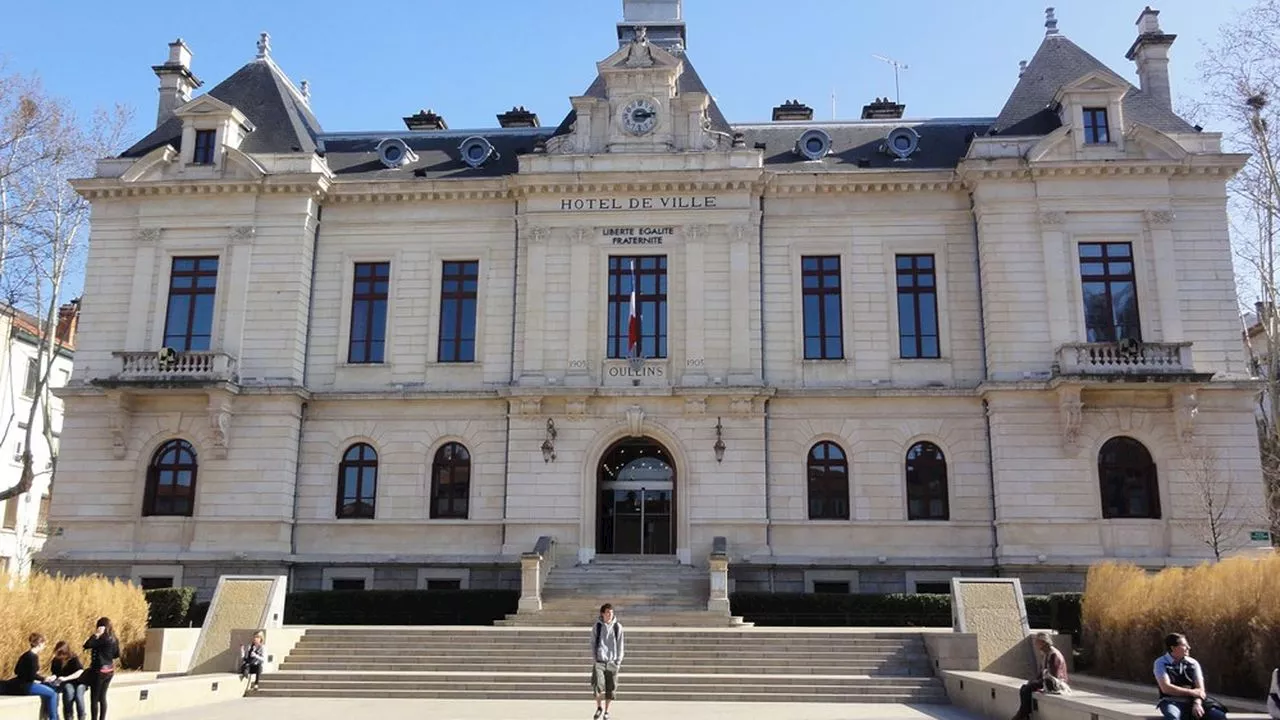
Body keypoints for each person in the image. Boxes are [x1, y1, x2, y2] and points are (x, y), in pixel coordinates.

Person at [1153, 633, 1227, 720]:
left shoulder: (1193, 663)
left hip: (1194, 701)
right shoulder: (1161, 663)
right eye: (1184, 645)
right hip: (1171, 701)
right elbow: (1166, 688)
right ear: (1173, 648)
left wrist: (1197, 703)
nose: (1189, 647)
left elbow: (1200, 690)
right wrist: (1192, 692)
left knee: (1218, 716)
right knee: (1173, 717)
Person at [1011, 632, 1070, 720]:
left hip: (1056, 683)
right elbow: (1042, 672)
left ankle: (1022, 713)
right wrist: (1034, 680)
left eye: (1037, 642)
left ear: (1043, 642)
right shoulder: (1046, 653)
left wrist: (1039, 681)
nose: (1036, 644)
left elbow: (1054, 676)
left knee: (1028, 689)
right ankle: (1024, 713)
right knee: (1024, 688)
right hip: (1047, 680)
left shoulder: (1053, 654)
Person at [11, 633, 58, 720]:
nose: (44, 646)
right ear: (39, 644)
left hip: (19, 683)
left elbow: (16, 671)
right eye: (44, 644)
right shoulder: (33, 657)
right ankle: (54, 718)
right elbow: (32, 675)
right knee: (53, 694)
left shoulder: (24, 655)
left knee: (48, 689)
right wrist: (44, 678)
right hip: (27, 686)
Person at [590, 603, 624, 720]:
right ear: (602, 614)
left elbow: (620, 645)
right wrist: (595, 659)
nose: (610, 615)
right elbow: (593, 643)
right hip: (599, 661)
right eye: (607, 612)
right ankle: (599, 707)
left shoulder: (617, 627)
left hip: (612, 662)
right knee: (597, 685)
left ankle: (606, 711)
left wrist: (618, 662)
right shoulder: (597, 627)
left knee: (611, 688)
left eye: (611, 612)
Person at [83, 617, 120, 720]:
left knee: (94, 698)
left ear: (100, 627)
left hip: (99, 671)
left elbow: (87, 645)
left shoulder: (101, 638)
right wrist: (107, 655)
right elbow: (116, 654)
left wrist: (96, 635)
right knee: (102, 697)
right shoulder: (114, 638)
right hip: (109, 670)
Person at [49, 641, 87, 720]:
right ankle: (69, 716)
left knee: (78, 696)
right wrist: (53, 677)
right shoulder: (55, 661)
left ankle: (82, 716)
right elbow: (55, 673)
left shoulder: (73, 659)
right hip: (67, 683)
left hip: (79, 682)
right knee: (69, 691)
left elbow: (80, 671)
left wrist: (66, 678)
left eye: (61, 654)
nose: (59, 656)